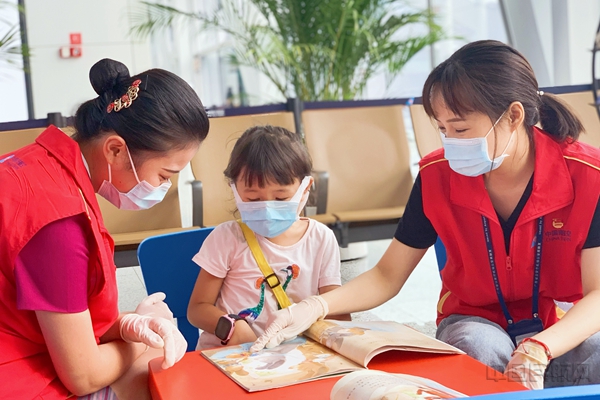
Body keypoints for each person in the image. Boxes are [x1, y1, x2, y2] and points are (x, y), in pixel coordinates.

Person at [251, 40, 600, 390]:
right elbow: (387, 276)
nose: (451, 143)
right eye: (443, 130)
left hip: (560, 320)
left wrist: (540, 347)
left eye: (460, 129)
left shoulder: (589, 176)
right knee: (479, 352)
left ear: (513, 116)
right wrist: (314, 307)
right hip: (475, 319)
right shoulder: (437, 176)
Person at [0, 58, 209, 399]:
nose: (163, 187)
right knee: (162, 369)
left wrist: (128, 323)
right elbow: (83, 376)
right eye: (164, 175)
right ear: (114, 150)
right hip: (15, 378)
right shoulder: (59, 220)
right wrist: (140, 340)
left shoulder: (37, 166)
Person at [187, 125, 349, 349]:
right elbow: (197, 309)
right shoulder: (227, 238)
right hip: (230, 356)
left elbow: (335, 310)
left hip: (294, 358)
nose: (267, 208)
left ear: (305, 188)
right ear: (234, 189)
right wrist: (232, 326)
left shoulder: (321, 239)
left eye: (281, 198)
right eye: (253, 199)